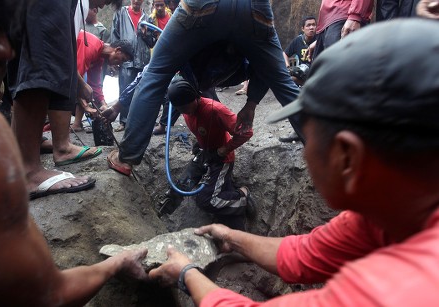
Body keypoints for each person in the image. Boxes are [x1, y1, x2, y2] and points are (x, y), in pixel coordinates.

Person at [148, 19, 439, 305]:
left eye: (308, 138)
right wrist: (231, 238)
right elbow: (305, 253)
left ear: (347, 157)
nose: (305, 152)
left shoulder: (404, 291)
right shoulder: (384, 215)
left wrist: (186, 273)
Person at [0, 1, 149, 306]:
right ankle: (39, 163)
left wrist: (89, 100)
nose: (6, 50)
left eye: (9, 32)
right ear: (114, 50)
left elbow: (82, 79)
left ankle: (45, 148)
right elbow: (47, 294)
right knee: (44, 67)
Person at [103, 0, 302, 173]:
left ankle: (126, 159)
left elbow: (150, 76)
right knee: (283, 82)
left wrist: (251, 103)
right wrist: (252, 103)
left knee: (156, 73)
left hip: (203, 5)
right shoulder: (242, 63)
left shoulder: (183, 57)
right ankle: (328, 156)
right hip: (255, 7)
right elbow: (265, 68)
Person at [7, 0, 122, 200]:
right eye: (107, 1)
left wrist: (91, 97)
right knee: (43, 62)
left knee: (32, 60)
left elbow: (90, 82)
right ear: (116, 51)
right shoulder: (93, 42)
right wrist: (80, 89)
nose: (103, 6)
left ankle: (23, 164)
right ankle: (30, 172)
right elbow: (61, 65)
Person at [154, 79, 254, 231]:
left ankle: (242, 197)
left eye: (185, 107)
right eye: (180, 109)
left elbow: (247, 132)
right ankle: (159, 216)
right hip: (205, 153)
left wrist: (225, 149)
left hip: (222, 158)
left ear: (194, 97)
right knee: (181, 185)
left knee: (208, 200)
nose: (184, 112)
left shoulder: (215, 109)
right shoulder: (186, 110)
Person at [72, 32, 134, 131]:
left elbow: (95, 86)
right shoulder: (91, 46)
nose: (119, 65)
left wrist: (103, 104)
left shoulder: (99, 58)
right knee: (83, 87)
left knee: (88, 89)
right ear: (117, 50)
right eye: (122, 60)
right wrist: (86, 106)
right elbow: (73, 75)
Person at [111, 0, 157, 132]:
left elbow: (152, 42)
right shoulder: (120, 13)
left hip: (143, 60)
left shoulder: (148, 18)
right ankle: (124, 121)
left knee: (143, 91)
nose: (136, 1)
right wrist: (114, 59)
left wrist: (146, 33)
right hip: (126, 59)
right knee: (125, 89)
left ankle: (140, 120)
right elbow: (115, 35)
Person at [309, 0, 373, 60]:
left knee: (341, 68)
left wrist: (355, 16)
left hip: (345, 16)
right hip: (329, 24)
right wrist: (322, 38)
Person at [283, 16, 316, 86]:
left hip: (316, 73)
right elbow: (285, 54)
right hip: (302, 73)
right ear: (303, 28)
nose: (311, 27)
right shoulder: (298, 40)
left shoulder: (319, 39)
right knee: (287, 77)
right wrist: (288, 67)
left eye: (314, 25)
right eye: (308, 25)